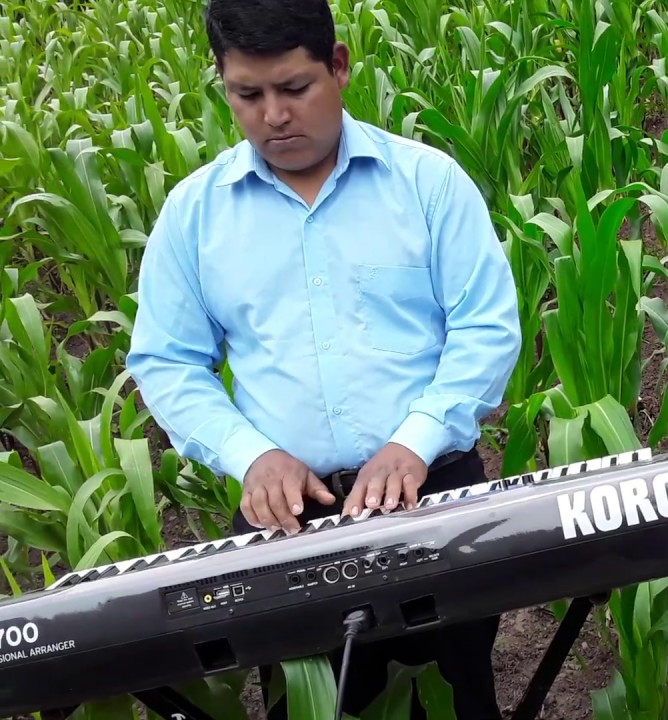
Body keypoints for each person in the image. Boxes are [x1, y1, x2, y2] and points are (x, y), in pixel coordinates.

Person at [125, 0, 520, 717]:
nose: (274, 115)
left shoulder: (427, 185)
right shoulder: (194, 216)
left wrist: (415, 439)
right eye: (249, 95)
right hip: (287, 523)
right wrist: (251, 455)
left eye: (294, 88)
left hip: (432, 498)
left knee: (456, 700)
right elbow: (168, 362)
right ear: (224, 86)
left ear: (338, 67)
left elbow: (486, 328)